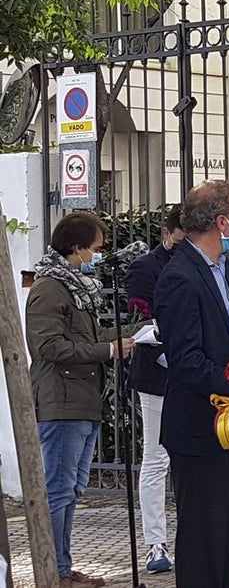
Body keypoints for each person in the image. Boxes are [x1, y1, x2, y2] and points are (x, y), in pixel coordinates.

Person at [153, 180, 229, 588]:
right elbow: (187, 361)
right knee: (203, 535)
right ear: (220, 222)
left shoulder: (227, 268)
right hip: (199, 426)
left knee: (228, 535)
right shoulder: (179, 276)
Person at [26, 212, 136, 588]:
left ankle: (63, 566)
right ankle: (56, 571)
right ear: (76, 248)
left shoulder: (75, 285)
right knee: (58, 488)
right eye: (95, 248)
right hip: (61, 400)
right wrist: (107, 350)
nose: (99, 256)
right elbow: (47, 345)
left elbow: (89, 334)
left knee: (72, 488)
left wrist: (136, 332)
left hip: (83, 399)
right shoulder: (50, 288)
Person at [124, 205, 185, 574]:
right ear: (167, 232)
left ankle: (193, 537)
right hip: (159, 374)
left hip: (196, 376)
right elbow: (136, 319)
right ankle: (155, 543)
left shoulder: (213, 262)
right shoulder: (146, 267)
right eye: (178, 239)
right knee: (156, 458)